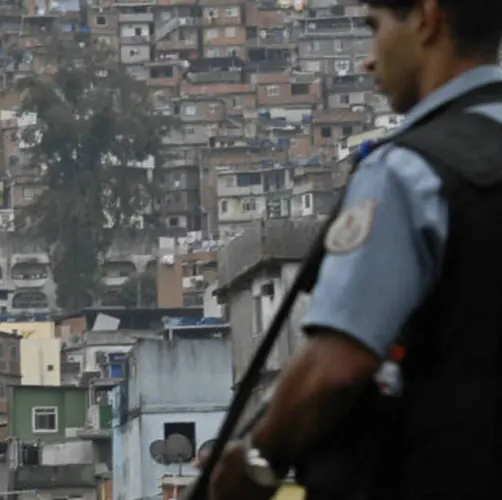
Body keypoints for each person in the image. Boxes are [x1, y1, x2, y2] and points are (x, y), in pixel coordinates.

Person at [195, 0, 502, 499]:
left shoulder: (408, 171)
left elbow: (338, 366)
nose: (366, 59)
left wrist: (256, 461)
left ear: (426, 18)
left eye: (374, 27)